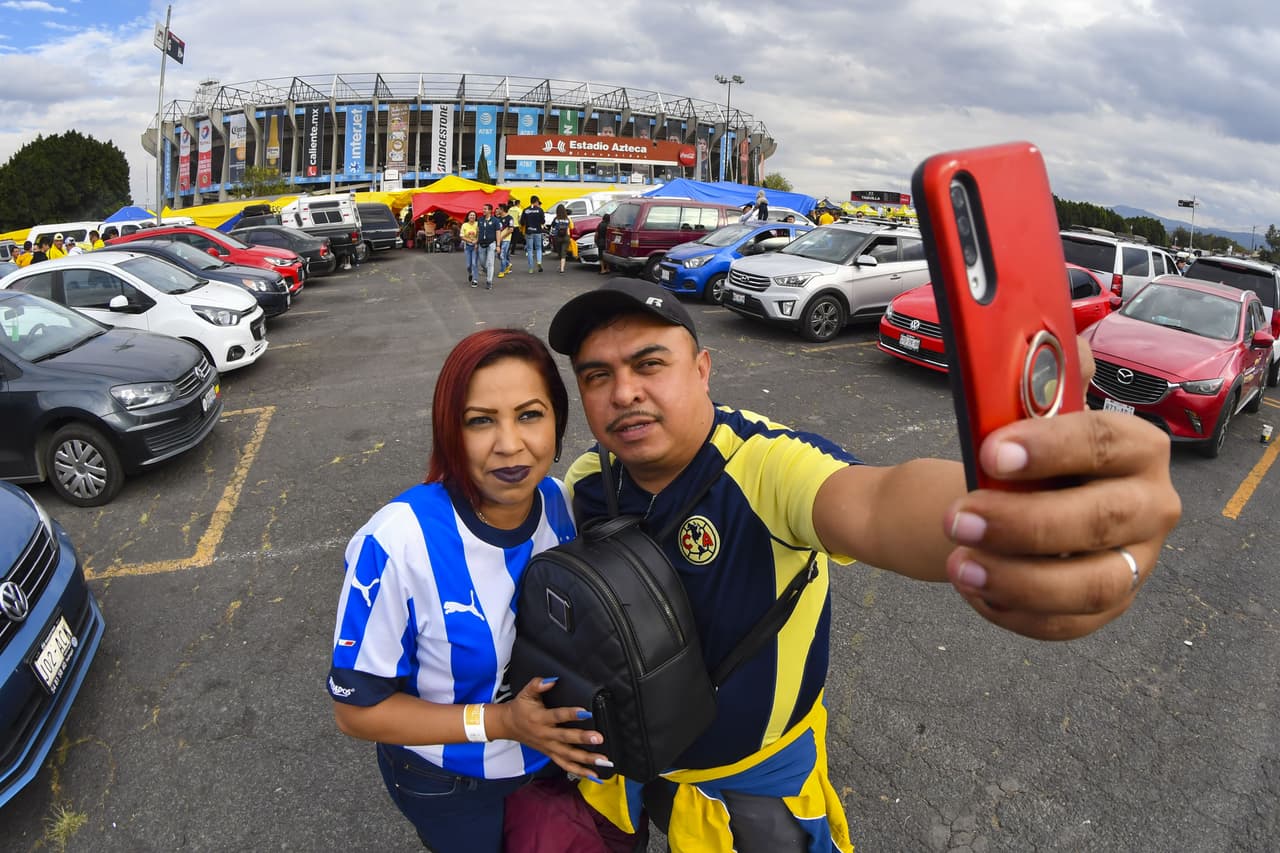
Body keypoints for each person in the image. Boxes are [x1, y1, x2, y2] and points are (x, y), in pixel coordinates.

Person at [545, 278, 1181, 851]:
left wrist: (1014, 520)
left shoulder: (767, 468)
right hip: (627, 761)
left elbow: (879, 503)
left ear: (703, 369)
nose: (624, 392)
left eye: (649, 364)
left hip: (752, 788)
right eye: (597, 376)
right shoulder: (587, 483)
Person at [328, 329, 609, 853]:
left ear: (558, 422)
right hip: (451, 783)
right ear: (448, 432)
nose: (509, 444)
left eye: (529, 415)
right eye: (481, 421)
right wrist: (502, 721)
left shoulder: (558, 501)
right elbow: (355, 711)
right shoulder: (396, 543)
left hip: (547, 758)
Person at [476, 204, 500, 290]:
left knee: (490, 263)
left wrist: (498, 245)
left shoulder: (495, 221)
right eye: (483, 209)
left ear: (490, 210)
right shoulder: (480, 220)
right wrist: (476, 243)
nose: (484, 210)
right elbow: (478, 231)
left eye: (485, 209)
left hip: (491, 243)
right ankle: (487, 271)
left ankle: (489, 281)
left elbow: (498, 232)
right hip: (481, 243)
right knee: (482, 262)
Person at [520, 195, 546, 274]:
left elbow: (522, 222)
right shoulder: (540, 210)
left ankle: (531, 268)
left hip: (529, 232)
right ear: (537, 201)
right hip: (538, 231)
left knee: (530, 250)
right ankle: (539, 261)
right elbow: (543, 221)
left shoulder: (525, 210)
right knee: (538, 248)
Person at [550, 204, 573, 274]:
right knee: (564, 253)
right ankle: (562, 269)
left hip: (557, 237)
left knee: (560, 253)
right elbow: (571, 227)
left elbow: (552, 227)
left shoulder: (556, 219)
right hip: (566, 237)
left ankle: (561, 267)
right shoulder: (567, 219)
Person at [460, 210, 480, 286]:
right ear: (468, 217)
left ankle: (475, 280)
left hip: (475, 247)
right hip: (468, 247)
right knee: (468, 265)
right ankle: (470, 273)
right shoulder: (464, 225)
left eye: (474, 215)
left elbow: (479, 234)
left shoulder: (478, 224)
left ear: (475, 217)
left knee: (474, 263)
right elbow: (462, 236)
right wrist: (470, 241)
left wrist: (476, 242)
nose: (472, 216)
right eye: (471, 215)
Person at [496, 202, 515, 277]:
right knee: (498, 255)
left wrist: (502, 237)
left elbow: (511, 230)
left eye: (499, 209)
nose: (497, 210)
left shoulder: (510, 218)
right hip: (498, 239)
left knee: (502, 255)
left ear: (502, 210)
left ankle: (502, 271)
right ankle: (508, 264)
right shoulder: (498, 218)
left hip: (506, 240)